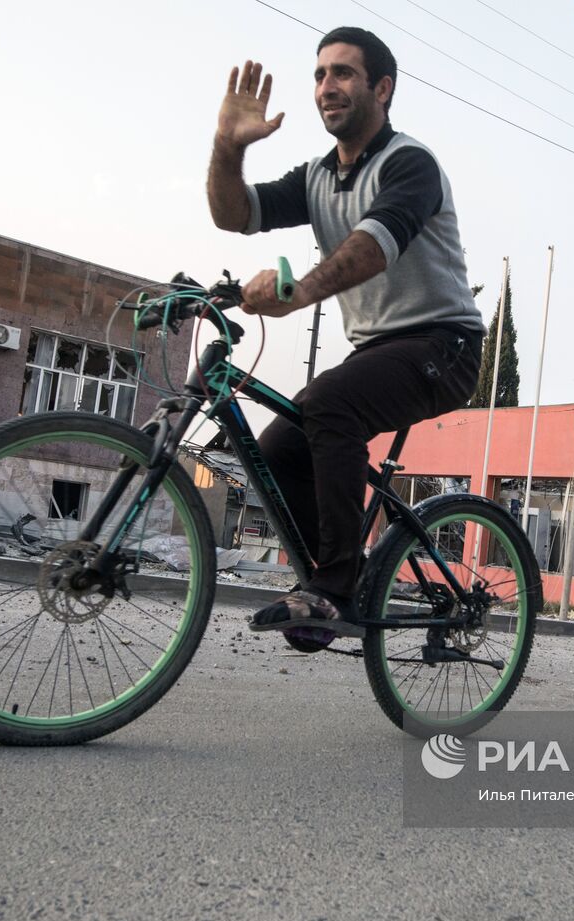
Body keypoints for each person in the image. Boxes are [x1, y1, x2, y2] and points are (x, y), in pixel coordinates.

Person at [206, 26, 484, 631]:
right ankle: (328, 579)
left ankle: (335, 586)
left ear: (381, 89)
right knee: (277, 449)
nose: (326, 86)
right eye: (319, 75)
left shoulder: (409, 163)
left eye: (343, 73)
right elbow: (235, 214)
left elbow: (375, 245)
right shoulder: (317, 177)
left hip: (444, 345)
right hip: (377, 350)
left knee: (331, 403)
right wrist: (227, 145)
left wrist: (298, 292)